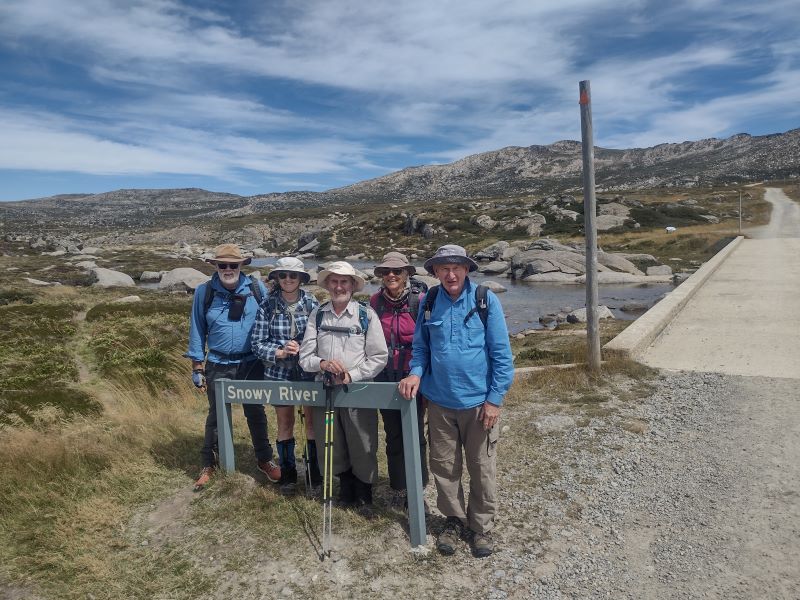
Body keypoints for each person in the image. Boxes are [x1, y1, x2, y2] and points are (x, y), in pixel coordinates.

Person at [398, 244, 514, 558]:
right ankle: (453, 519)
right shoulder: (428, 302)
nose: (450, 274)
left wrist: (494, 400)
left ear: (466, 270)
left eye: (456, 268)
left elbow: (502, 357)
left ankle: (481, 528)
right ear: (435, 272)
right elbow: (421, 350)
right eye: (443, 268)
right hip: (439, 403)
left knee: (481, 468)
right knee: (445, 467)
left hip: (479, 404)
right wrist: (415, 374)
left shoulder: (485, 300)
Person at [186, 243, 281, 491]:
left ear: (241, 266)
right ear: (215, 266)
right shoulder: (204, 292)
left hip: (251, 362)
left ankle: (264, 459)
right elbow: (197, 328)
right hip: (217, 363)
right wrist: (197, 365)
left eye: (233, 265)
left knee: (256, 412)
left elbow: (271, 322)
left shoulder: (257, 289)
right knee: (216, 415)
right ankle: (209, 463)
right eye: (223, 265)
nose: (228, 269)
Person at [299, 261, 388, 517]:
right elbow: (306, 357)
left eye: (344, 282)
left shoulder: (366, 315)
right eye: (334, 281)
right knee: (332, 442)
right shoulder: (317, 315)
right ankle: (345, 488)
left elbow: (379, 356)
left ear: (352, 285)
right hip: (325, 390)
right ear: (327, 285)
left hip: (358, 391)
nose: (339, 286)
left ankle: (364, 494)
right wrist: (323, 364)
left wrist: (352, 375)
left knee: (362, 440)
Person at [251, 257, 322, 496]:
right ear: (277, 278)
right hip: (277, 374)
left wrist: (305, 349)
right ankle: (289, 475)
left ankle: (314, 474)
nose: (288, 280)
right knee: (285, 423)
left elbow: (321, 338)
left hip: (307, 372)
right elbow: (257, 343)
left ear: (302, 278)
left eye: (293, 276)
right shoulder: (267, 305)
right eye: (283, 276)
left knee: (311, 423)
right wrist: (279, 352)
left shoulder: (313, 303)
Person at [369, 251, 429, 509]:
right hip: (385, 376)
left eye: (397, 271)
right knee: (393, 433)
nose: (391, 275)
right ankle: (398, 486)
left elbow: (428, 342)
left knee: (415, 433)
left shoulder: (421, 301)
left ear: (407, 274)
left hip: (413, 378)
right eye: (386, 272)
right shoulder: (374, 302)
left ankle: (419, 486)